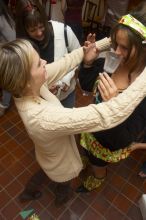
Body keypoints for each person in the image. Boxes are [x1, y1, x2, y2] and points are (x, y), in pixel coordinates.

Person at [1, 37, 146, 206]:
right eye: (38, 63)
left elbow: (67, 61)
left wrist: (109, 41)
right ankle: (60, 199)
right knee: (62, 184)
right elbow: (106, 114)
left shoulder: (28, 86)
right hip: (62, 168)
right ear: (24, 80)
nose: (45, 61)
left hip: (49, 157)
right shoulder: (42, 118)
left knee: (45, 172)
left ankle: (30, 192)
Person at [77, 1, 146, 192]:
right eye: (115, 44)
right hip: (91, 129)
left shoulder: (142, 90)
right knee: (87, 152)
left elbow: (124, 139)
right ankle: (88, 158)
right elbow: (87, 85)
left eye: (124, 47)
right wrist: (88, 65)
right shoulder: (114, 60)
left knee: (98, 162)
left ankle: (99, 177)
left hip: (107, 143)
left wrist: (115, 106)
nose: (115, 52)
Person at [15, 0, 80, 108]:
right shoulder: (22, 46)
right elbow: (24, 77)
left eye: (41, 27)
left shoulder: (64, 31)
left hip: (66, 95)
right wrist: (43, 90)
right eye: (33, 30)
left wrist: (66, 80)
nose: (39, 33)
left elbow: (78, 56)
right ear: (24, 29)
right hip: (40, 101)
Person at [0, 0, 16, 116]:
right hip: (11, 52)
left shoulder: (1, 19)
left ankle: (4, 105)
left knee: (7, 80)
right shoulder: (7, 15)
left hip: (8, 53)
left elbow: (10, 39)